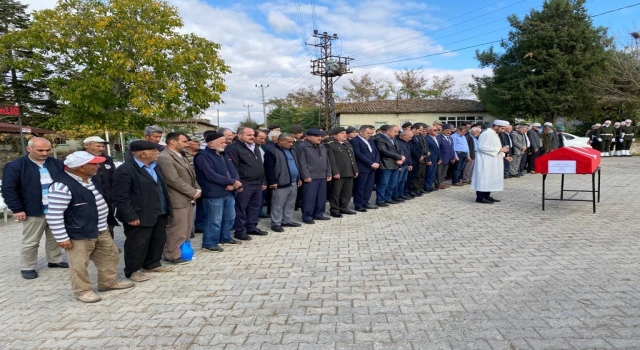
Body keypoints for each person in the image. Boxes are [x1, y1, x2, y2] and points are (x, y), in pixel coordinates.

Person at [46, 151, 134, 303]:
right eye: (94, 164)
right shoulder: (61, 186)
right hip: (79, 233)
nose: (98, 166)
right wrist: (62, 237)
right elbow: (54, 215)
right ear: (81, 167)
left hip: (100, 229)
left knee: (110, 255)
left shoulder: (88, 179)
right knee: (79, 265)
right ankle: (82, 291)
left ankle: (108, 283)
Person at [2, 137, 67, 279]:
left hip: (56, 209)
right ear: (29, 149)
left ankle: (54, 260)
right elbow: (9, 189)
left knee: (56, 237)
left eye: (48, 150)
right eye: (40, 150)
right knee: (31, 241)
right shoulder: (15, 166)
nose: (45, 153)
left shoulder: (57, 163)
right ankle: (28, 266)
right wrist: (17, 208)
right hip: (33, 209)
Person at [113, 140, 173, 283]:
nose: (158, 153)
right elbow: (121, 196)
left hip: (159, 210)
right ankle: (133, 270)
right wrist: (130, 215)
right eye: (154, 151)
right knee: (137, 243)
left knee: (158, 239)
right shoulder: (125, 169)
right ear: (144, 153)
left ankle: (152, 263)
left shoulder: (155, 167)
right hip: (139, 214)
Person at [156, 132, 202, 265]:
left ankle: (182, 250)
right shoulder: (165, 157)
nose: (186, 144)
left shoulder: (181, 155)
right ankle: (171, 254)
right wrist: (192, 192)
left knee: (186, 227)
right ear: (172, 142)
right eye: (183, 141)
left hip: (187, 197)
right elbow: (173, 180)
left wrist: (197, 189)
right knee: (177, 228)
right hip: (176, 198)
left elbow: (191, 175)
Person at [195, 133, 242, 250]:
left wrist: (234, 182)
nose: (224, 144)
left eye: (225, 142)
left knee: (230, 217)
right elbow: (211, 175)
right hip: (213, 193)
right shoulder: (203, 156)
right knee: (214, 220)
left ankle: (225, 238)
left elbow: (233, 170)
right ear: (211, 143)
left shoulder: (224, 154)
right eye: (221, 142)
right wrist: (230, 182)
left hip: (228, 191)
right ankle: (209, 243)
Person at [226, 127, 268, 240]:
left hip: (257, 183)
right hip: (244, 183)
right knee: (241, 208)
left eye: (253, 134)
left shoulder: (256, 147)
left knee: (254, 207)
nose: (252, 137)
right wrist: (238, 183)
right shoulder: (233, 148)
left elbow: (260, 165)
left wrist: (263, 180)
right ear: (239, 135)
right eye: (248, 135)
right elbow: (232, 167)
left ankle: (251, 227)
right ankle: (240, 231)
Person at [264, 133, 302, 232]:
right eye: (289, 142)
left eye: (292, 142)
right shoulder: (272, 152)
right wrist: (272, 181)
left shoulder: (292, 150)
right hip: (280, 183)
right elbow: (269, 168)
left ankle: (287, 220)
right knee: (278, 204)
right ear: (280, 141)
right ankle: (276, 223)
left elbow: (296, 165)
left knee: (290, 203)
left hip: (293, 181)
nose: (291, 144)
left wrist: (299, 178)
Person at [83, 136, 119, 239]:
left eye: (103, 146)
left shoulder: (107, 159)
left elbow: (114, 177)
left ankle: (109, 246)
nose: (101, 148)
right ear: (86, 146)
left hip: (108, 198)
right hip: (88, 199)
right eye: (98, 146)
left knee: (109, 224)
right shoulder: (79, 159)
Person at [296, 128, 332, 224]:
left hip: (322, 175)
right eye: (316, 136)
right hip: (310, 176)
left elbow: (327, 160)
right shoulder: (302, 146)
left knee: (321, 197)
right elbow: (301, 162)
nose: (319, 138)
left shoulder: (321, 146)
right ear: (308, 137)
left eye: (320, 136)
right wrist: (305, 175)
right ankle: (307, 216)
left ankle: (319, 214)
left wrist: (328, 172)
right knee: (309, 198)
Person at [471, 120, 511, 204]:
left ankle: (486, 195)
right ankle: (480, 197)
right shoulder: (486, 134)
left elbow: (496, 147)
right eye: (502, 128)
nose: (503, 130)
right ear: (496, 126)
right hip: (486, 161)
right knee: (484, 178)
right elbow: (482, 147)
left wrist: (504, 156)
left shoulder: (494, 134)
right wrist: (500, 149)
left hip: (493, 161)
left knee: (490, 178)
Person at [325, 127, 358, 217]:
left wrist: (355, 170)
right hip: (339, 172)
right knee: (336, 192)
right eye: (342, 133)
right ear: (334, 135)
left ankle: (344, 207)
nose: (345, 135)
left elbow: (352, 159)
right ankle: (335, 210)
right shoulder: (330, 145)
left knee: (347, 192)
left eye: (345, 133)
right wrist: (335, 172)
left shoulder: (347, 144)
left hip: (349, 171)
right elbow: (331, 160)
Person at [350, 125, 380, 212]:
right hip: (362, 167)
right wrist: (371, 163)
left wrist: (376, 162)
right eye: (368, 133)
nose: (370, 135)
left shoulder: (370, 140)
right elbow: (358, 154)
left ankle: (366, 202)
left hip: (372, 167)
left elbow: (376, 152)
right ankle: (358, 204)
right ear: (361, 132)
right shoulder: (355, 141)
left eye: (371, 133)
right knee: (360, 186)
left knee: (369, 187)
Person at [374, 125, 404, 206]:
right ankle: (380, 200)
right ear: (388, 131)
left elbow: (400, 149)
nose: (397, 133)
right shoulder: (379, 139)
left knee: (392, 183)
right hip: (385, 164)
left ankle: (388, 198)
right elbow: (384, 151)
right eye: (395, 131)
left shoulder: (394, 139)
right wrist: (399, 157)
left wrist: (401, 158)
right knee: (383, 183)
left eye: (397, 132)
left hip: (396, 164)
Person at [408, 123, 429, 196]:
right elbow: (412, 148)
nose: (420, 132)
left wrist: (423, 154)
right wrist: (419, 156)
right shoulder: (410, 136)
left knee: (418, 175)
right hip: (413, 159)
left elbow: (421, 147)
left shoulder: (418, 136)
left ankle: (416, 189)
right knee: (413, 176)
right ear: (414, 129)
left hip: (419, 158)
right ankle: (412, 190)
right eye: (419, 130)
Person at [395, 130, 413, 200]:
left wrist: (410, 163)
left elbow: (408, 154)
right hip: (401, 165)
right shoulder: (397, 142)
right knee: (398, 181)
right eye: (409, 137)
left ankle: (400, 194)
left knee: (403, 180)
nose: (410, 139)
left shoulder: (406, 143)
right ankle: (396, 195)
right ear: (404, 135)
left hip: (406, 164)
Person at [435, 124, 455, 188]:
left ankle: (441, 182)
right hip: (441, 158)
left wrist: (453, 157)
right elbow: (438, 149)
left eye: (450, 131)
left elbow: (452, 148)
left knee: (444, 172)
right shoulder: (439, 138)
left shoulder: (451, 138)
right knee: (438, 172)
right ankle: (437, 184)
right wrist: (439, 158)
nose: (449, 132)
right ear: (443, 130)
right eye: (447, 130)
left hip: (448, 158)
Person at [423, 126, 441, 192]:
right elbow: (427, 149)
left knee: (432, 174)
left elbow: (438, 149)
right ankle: (426, 186)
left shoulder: (435, 138)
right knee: (428, 173)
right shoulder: (426, 138)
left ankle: (430, 185)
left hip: (435, 159)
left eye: (437, 130)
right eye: (435, 130)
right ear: (429, 131)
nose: (437, 131)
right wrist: (428, 159)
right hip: (430, 158)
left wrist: (440, 158)